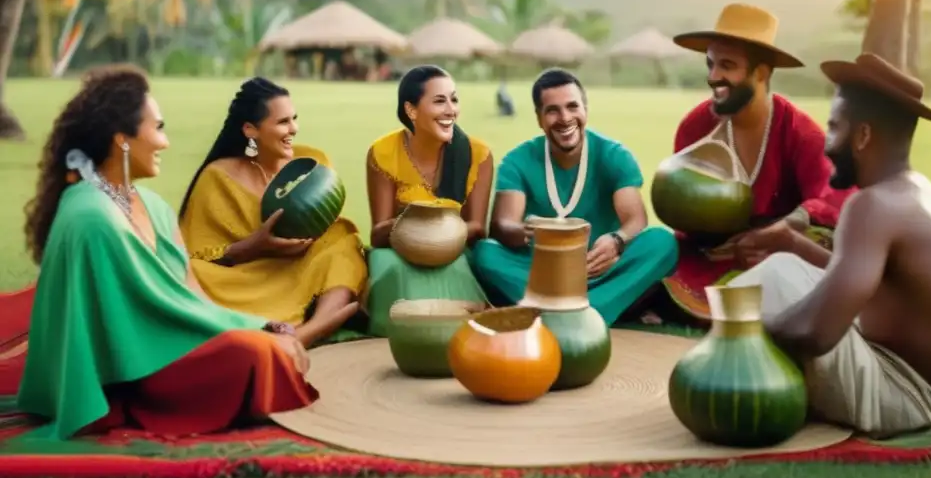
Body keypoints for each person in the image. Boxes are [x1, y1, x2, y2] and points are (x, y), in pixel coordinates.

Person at [16, 66, 316, 441]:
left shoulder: (153, 206)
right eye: (157, 128)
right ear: (123, 140)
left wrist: (260, 325)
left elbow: (192, 295)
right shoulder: (92, 216)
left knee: (264, 346)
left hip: (169, 345)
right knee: (257, 355)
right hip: (132, 372)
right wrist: (254, 338)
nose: (166, 142)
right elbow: (139, 316)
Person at [726, 53, 931, 437]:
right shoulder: (917, 191)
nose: (827, 144)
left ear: (863, 135)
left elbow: (816, 333)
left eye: (834, 128)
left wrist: (740, 333)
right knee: (784, 267)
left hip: (906, 400)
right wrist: (793, 243)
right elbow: (867, 278)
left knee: (769, 285)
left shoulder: (871, 205)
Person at [665, 3, 854, 320]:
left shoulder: (800, 133)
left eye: (727, 65)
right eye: (710, 64)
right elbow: (681, 203)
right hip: (709, 256)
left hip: (773, 255)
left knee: (819, 245)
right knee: (657, 250)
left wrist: (785, 226)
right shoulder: (695, 127)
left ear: (761, 73)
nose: (713, 77)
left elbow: (833, 196)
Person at [472, 69, 679, 325]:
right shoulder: (518, 160)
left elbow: (635, 219)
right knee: (485, 253)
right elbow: (502, 224)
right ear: (539, 118)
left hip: (600, 268)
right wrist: (528, 231)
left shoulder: (613, 154)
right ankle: (591, 312)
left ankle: (568, 310)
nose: (565, 118)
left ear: (585, 110)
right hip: (541, 271)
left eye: (572, 107)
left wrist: (617, 240)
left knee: (662, 243)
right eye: (552, 110)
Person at [178, 77, 367, 347]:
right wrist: (257, 246)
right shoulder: (217, 176)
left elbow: (324, 229)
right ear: (250, 130)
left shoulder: (313, 164)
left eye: (294, 119)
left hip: (298, 268)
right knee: (190, 272)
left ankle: (312, 329)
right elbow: (197, 254)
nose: (294, 129)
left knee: (343, 238)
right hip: (245, 275)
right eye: (282, 122)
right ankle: (288, 325)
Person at [363, 65, 493, 336]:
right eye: (439, 101)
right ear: (411, 111)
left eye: (453, 99)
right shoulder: (384, 153)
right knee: (391, 270)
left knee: (460, 271)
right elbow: (377, 235)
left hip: (455, 250)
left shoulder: (477, 155)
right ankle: (400, 337)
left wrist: (440, 235)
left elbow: (478, 227)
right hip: (399, 250)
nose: (451, 110)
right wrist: (415, 229)